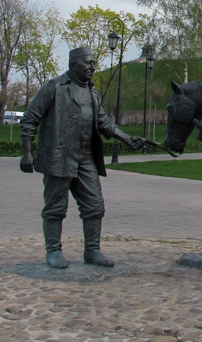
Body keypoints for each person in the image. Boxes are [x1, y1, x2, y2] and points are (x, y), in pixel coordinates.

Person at [20, 47, 145, 269]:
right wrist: (27, 153)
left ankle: (92, 250)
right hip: (59, 157)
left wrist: (127, 138)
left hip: (85, 159)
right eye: (88, 63)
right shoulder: (55, 87)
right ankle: (54, 251)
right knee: (55, 208)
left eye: (94, 63)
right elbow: (30, 119)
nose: (93, 67)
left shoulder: (92, 92)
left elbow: (103, 122)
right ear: (73, 65)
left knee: (95, 206)